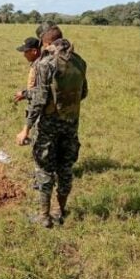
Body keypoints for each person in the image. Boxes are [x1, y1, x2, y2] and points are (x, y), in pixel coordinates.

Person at [16, 25, 88, 227]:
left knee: (44, 169)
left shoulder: (45, 64)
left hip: (49, 126)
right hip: (71, 125)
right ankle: (61, 211)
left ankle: (44, 217)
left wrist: (26, 129)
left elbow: (39, 100)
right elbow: (83, 93)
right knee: (65, 168)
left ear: (46, 43)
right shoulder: (80, 62)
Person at [13, 37, 42, 103]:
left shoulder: (41, 66)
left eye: (26, 52)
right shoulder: (36, 64)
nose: (24, 55)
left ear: (34, 51)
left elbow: (42, 90)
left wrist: (24, 94)